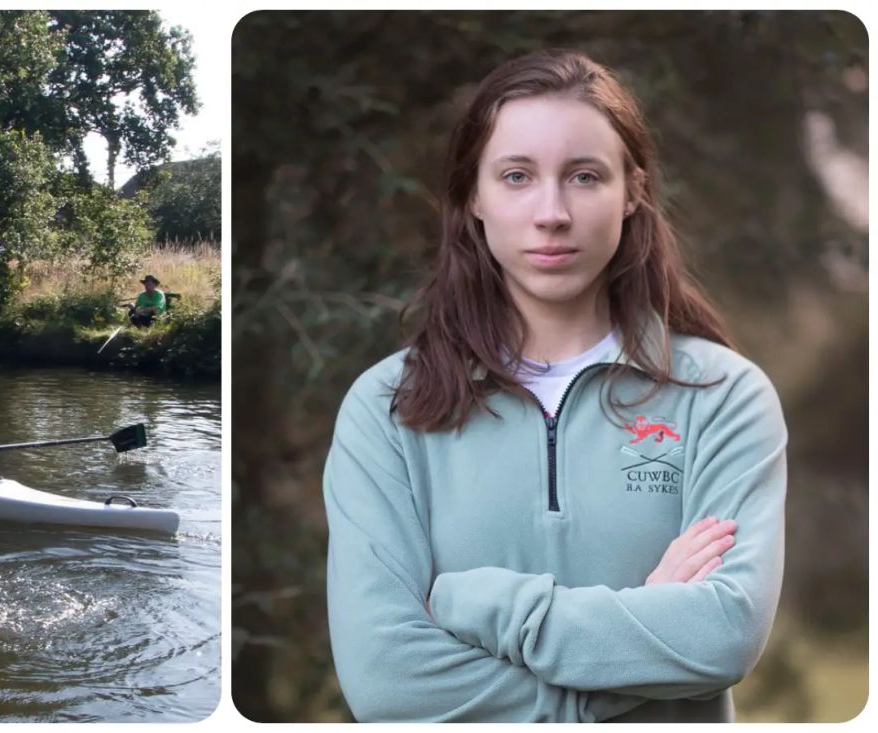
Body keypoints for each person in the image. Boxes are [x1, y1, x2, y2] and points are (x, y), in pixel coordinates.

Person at [323, 49, 786, 723]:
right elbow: (388, 682)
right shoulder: (385, 409)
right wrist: (645, 632)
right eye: (516, 176)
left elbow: (722, 636)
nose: (551, 212)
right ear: (472, 196)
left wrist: (469, 603)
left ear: (632, 191)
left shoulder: (723, 396)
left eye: (584, 176)